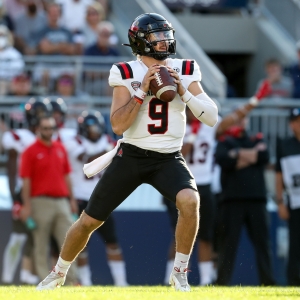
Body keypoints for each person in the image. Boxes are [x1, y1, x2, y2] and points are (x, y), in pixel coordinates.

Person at [36, 12, 218, 292]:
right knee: (88, 221)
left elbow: (212, 117)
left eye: (165, 35)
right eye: (157, 36)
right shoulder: (125, 72)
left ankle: (180, 272)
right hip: (132, 155)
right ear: (141, 41)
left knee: (190, 201)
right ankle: (58, 273)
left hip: (168, 157)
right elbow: (118, 124)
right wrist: (141, 90)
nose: (164, 41)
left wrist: (186, 92)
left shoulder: (186, 68)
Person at [63, 110, 128, 286]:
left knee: (113, 242)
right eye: (91, 128)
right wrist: (112, 150)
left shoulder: (106, 141)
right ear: (83, 129)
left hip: (102, 197)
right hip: (80, 199)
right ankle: (85, 281)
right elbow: (87, 159)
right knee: (81, 246)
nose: (95, 131)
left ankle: (121, 282)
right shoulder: (73, 142)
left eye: (97, 128)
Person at [215, 114, 275, 286]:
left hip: (257, 199)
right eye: (237, 118)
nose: (241, 121)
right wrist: (251, 156)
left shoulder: (255, 138)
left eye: (243, 118)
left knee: (263, 244)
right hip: (231, 200)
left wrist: (237, 155)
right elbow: (223, 160)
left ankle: (268, 282)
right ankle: (222, 283)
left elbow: (264, 157)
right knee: (227, 246)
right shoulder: (225, 140)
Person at [19, 115, 78, 285]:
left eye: (51, 128)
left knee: (69, 241)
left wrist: (71, 199)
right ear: (38, 129)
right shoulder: (30, 151)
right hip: (40, 202)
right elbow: (26, 180)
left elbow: (67, 176)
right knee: (41, 243)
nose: (48, 131)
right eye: (45, 128)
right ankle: (45, 281)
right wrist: (27, 205)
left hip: (61, 201)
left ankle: (72, 280)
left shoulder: (60, 148)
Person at [1, 99, 51, 285]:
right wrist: (15, 196)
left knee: (38, 237)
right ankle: (6, 279)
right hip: (24, 192)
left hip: (44, 192)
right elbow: (12, 167)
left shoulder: (50, 138)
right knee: (18, 237)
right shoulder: (18, 137)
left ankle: (27, 277)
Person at [275, 107, 300, 285]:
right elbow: (278, 175)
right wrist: (280, 202)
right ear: (291, 124)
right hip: (295, 200)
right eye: (296, 121)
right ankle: (293, 281)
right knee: (295, 244)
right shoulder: (285, 144)